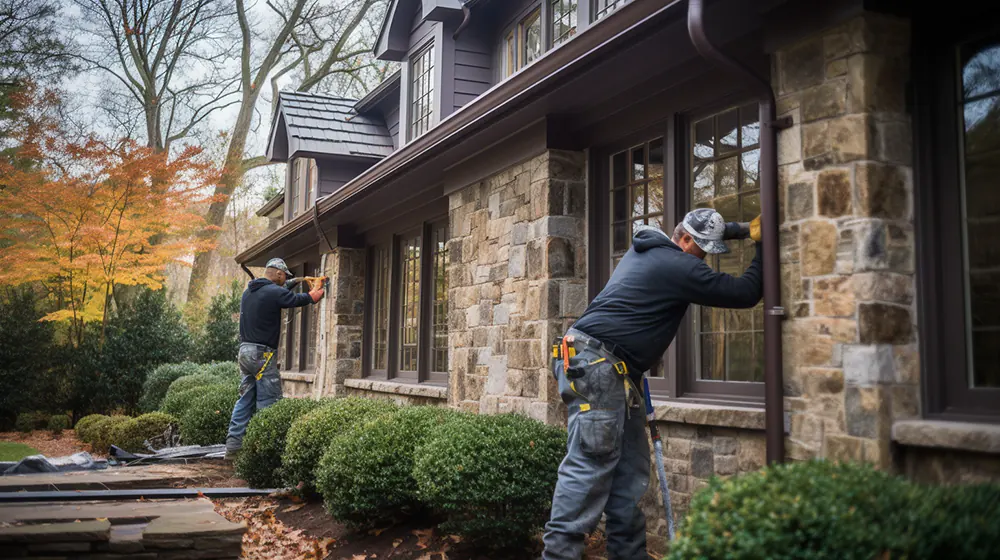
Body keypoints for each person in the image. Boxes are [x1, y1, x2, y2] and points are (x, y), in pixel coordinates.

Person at [541, 208, 763, 560]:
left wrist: (743, 230)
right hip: (599, 368)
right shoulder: (677, 266)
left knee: (629, 473)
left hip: (609, 370)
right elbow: (745, 292)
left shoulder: (646, 252)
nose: (704, 258)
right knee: (589, 466)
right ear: (684, 239)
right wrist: (762, 247)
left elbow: (706, 239)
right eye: (701, 247)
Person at [225, 258, 325, 460]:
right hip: (262, 354)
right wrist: (316, 293)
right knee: (269, 400)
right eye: (284, 277)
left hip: (245, 353)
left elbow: (279, 290)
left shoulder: (250, 291)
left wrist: (295, 280)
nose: (285, 280)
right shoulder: (273, 292)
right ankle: (265, 453)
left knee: (245, 398)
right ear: (278, 274)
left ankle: (233, 447)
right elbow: (297, 299)